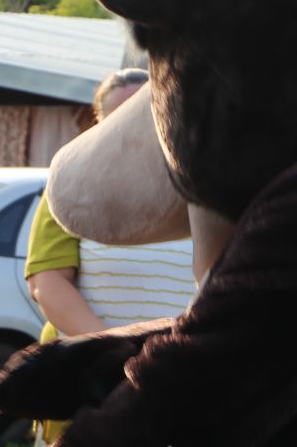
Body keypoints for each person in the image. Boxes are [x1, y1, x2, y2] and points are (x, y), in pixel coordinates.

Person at [25, 68, 193, 356]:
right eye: (116, 122)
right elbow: (47, 282)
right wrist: (115, 348)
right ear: (99, 126)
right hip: (91, 370)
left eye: (143, 119)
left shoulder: (199, 186)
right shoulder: (72, 188)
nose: (130, 134)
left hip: (179, 368)